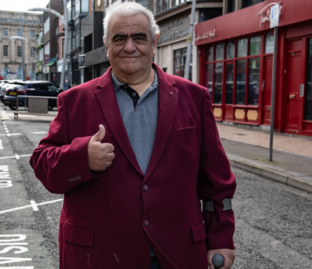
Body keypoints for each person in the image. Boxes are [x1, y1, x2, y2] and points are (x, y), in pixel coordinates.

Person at [29, 2, 236, 269]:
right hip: (99, 257)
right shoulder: (74, 101)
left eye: (139, 37)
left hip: (176, 253)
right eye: (119, 38)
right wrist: (82, 157)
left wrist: (220, 238)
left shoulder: (194, 98)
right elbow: (42, 164)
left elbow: (217, 183)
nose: (129, 47)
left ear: (154, 41)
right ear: (106, 44)